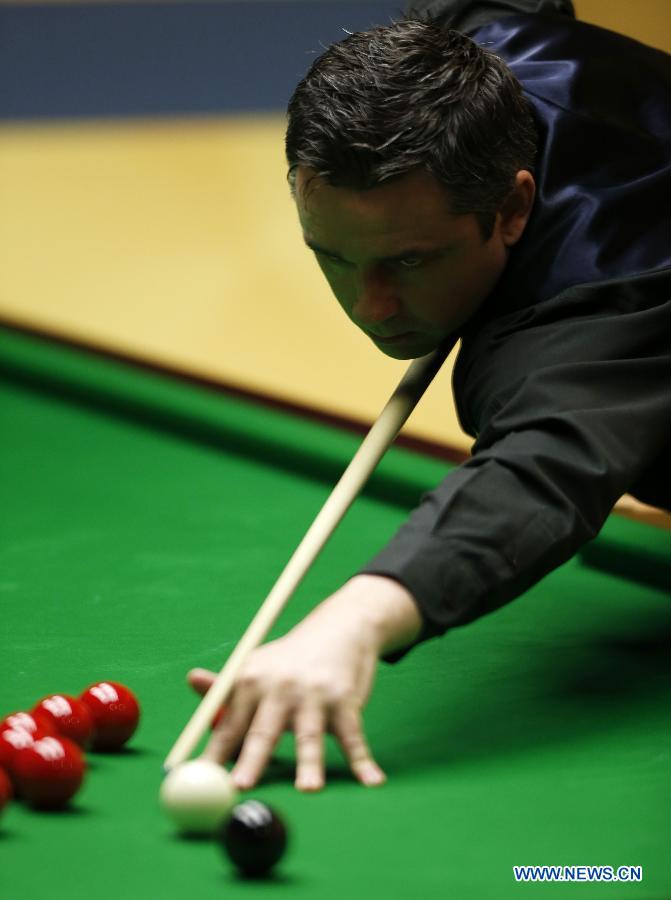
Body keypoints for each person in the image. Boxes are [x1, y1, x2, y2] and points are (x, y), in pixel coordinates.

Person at [189, 0, 671, 792]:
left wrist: (352, 620)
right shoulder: (463, 41)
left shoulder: (586, 316)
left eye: (408, 263)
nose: (369, 306)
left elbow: (538, 470)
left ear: (512, 209)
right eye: (333, 256)